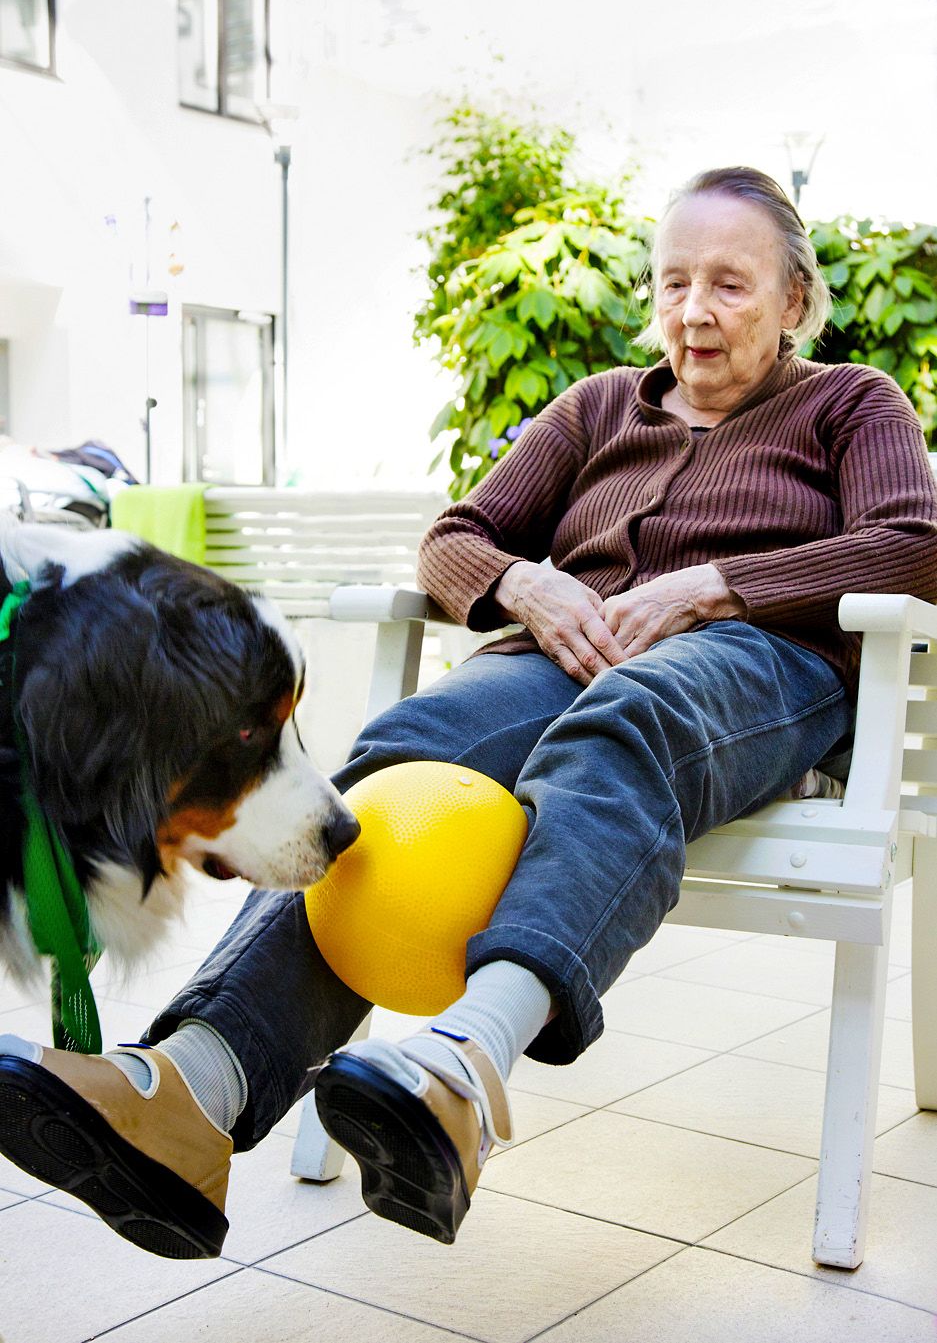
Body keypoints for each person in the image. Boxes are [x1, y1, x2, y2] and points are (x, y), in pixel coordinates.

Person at [2, 166, 936, 1258]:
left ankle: (460, 1074)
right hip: (558, 654)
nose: (692, 308)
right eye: (673, 280)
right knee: (400, 762)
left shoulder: (850, 401)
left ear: (794, 301)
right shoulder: (595, 407)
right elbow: (456, 534)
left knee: (627, 718)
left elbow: (915, 540)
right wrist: (524, 584)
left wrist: (710, 586)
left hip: (755, 662)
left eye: (729, 283)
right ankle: (190, 1096)